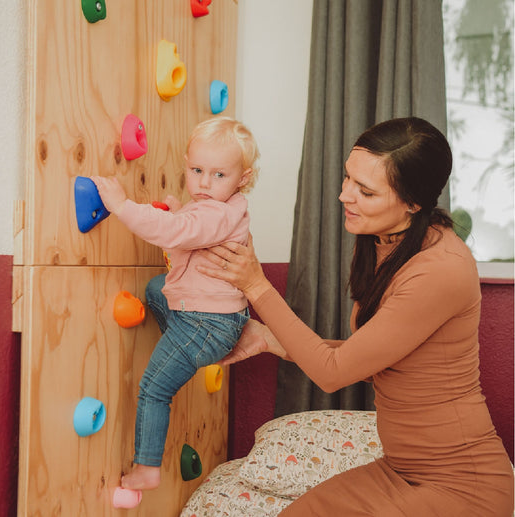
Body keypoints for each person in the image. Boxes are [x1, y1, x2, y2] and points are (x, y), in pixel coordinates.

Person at [197, 117, 514, 516]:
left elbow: (333, 372)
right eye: (348, 178)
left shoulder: (440, 269)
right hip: (401, 470)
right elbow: (372, 362)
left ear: (413, 203)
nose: (345, 195)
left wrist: (256, 285)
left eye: (365, 191)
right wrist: (270, 341)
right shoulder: (383, 240)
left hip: (462, 486)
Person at [92, 116, 260, 491]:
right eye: (197, 170)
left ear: (243, 178)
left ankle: (147, 468)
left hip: (204, 324)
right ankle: (187, 352)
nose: (204, 182)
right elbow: (192, 224)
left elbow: (179, 231)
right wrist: (178, 209)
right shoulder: (226, 207)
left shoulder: (213, 212)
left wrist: (122, 206)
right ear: (186, 163)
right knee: (156, 288)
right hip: (216, 320)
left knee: (154, 389)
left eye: (219, 175)